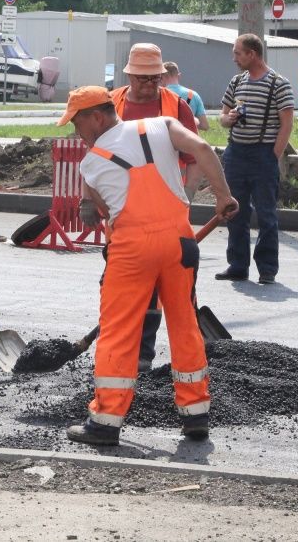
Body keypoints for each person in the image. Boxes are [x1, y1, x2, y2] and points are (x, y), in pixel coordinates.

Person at [59, 86, 237, 446]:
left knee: (119, 330)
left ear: (96, 116)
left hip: (132, 249)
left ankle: (106, 422)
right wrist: (223, 196)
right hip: (179, 242)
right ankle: (196, 415)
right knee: (185, 324)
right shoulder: (162, 125)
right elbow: (202, 149)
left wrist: (90, 208)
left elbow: (105, 214)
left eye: (77, 123)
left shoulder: (90, 164)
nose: (77, 133)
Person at [101, 43, 201, 371]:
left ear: (161, 76)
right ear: (129, 75)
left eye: (153, 78)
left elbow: (196, 155)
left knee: (161, 283)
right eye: (141, 78)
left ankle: (142, 351)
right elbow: (94, 156)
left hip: (166, 214)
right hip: (122, 214)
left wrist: (186, 193)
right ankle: (120, 346)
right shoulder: (110, 103)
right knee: (120, 281)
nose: (148, 85)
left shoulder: (176, 106)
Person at [217, 33, 295, 285]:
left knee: (266, 214)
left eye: (238, 53)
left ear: (252, 54)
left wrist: (273, 154)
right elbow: (223, 114)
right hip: (236, 152)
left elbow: (287, 123)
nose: (234, 58)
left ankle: (267, 268)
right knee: (234, 211)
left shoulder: (278, 83)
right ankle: (238, 265)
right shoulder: (237, 81)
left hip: (263, 155)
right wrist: (227, 119)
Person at [162, 62, 209, 131]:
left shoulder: (159, 94)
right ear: (179, 76)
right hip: (188, 139)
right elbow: (204, 125)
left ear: (162, 76)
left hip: (166, 138)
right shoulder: (193, 94)